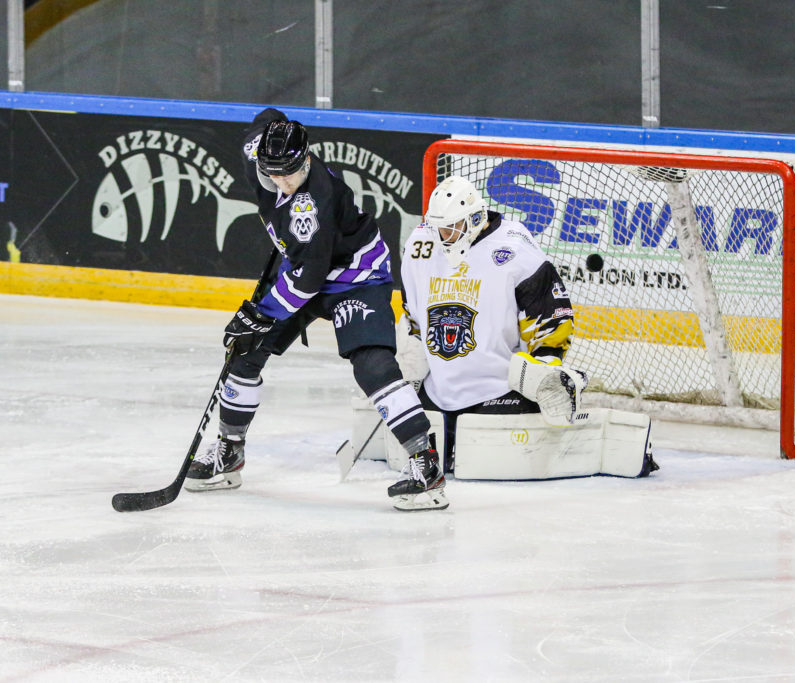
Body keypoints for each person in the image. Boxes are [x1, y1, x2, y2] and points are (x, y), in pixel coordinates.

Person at [184, 108, 447, 512]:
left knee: (372, 366)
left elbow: (309, 281)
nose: (282, 183)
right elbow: (269, 115)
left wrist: (263, 313)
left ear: (306, 158)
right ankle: (229, 454)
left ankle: (425, 466)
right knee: (246, 353)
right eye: (274, 173)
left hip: (356, 275)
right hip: (305, 263)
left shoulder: (314, 204)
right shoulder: (258, 152)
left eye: (291, 173)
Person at [398, 175, 657, 479]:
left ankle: (566, 388)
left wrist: (545, 369)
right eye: (438, 227)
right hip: (438, 392)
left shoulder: (514, 246)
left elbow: (552, 315)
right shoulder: (420, 244)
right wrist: (410, 359)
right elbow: (412, 310)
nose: (443, 236)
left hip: (498, 390)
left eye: (451, 228)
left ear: (476, 217)